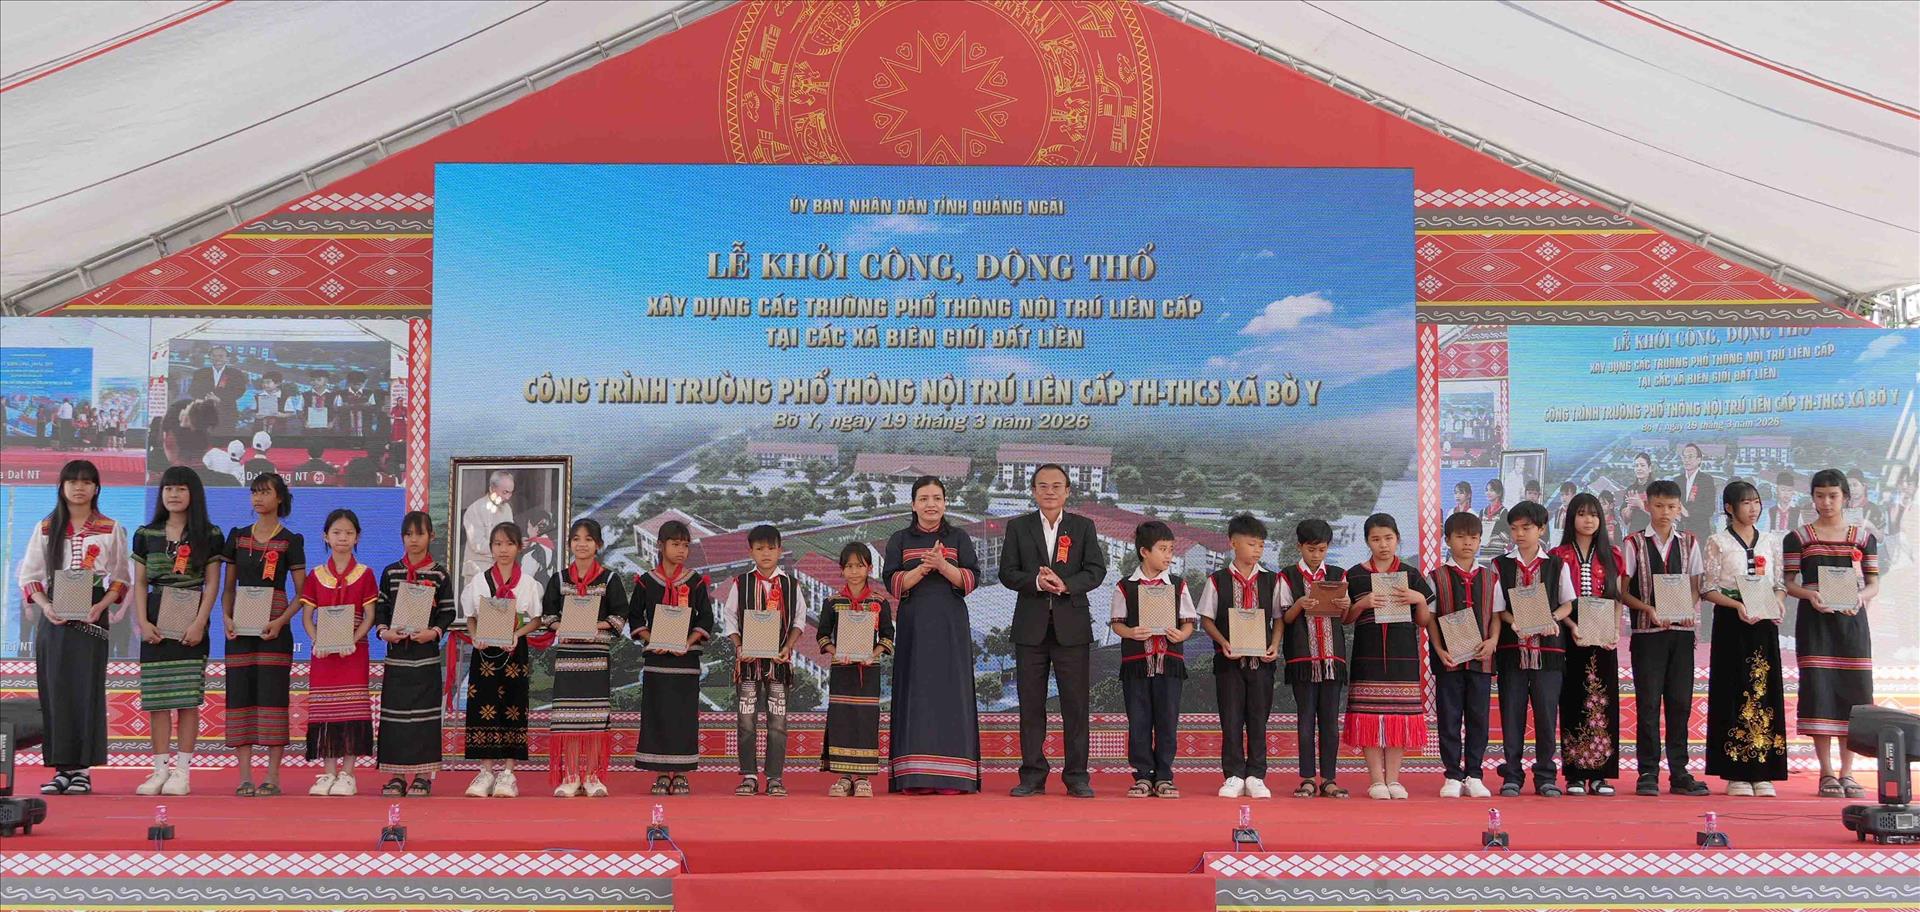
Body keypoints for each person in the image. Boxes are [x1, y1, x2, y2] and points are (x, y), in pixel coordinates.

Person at [17, 460, 129, 795]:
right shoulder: (46, 527)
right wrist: (46, 607)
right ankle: (61, 769)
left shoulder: (110, 528)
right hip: (54, 616)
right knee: (55, 691)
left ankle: (81, 771)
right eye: (73, 481)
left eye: (86, 482)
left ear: (96, 488)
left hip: (92, 616)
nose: (79, 488)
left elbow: (121, 578)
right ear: (62, 487)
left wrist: (101, 606)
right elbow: (30, 576)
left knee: (86, 690)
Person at [998, 463, 1106, 798]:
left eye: (1056, 486)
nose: (1049, 491)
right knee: (1031, 706)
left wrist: (1066, 584)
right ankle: (1032, 775)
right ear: (1033, 491)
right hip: (1030, 629)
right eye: (1042, 485)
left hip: (1072, 628)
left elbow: (1096, 570)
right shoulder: (1018, 527)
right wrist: (1035, 581)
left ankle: (1077, 776)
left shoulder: (1082, 527)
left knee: (1076, 705)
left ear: (1067, 491)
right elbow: (1007, 572)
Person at [1782, 469, 1881, 799]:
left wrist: (1860, 598)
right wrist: (1810, 594)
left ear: (1845, 498)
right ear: (1812, 498)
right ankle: (1826, 773)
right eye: (1820, 496)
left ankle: (1848, 773)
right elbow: (1789, 583)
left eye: (1833, 496)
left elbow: (1873, 584)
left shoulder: (1863, 537)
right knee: (1820, 692)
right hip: (1816, 624)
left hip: (1852, 625)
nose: (1826, 502)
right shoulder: (1798, 538)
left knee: (1854, 694)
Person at [883, 475, 982, 794]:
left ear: (945, 503)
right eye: (924, 498)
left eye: (937, 498)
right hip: (914, 624)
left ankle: (953, 777)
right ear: (913, 504)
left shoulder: (959, 537)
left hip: (951, 624)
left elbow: (971, 580)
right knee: (916, 692)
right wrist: (922, 569)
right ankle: (916, 776)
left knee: (952, 692)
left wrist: (943, 565)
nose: (931, 504)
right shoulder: (900, 539)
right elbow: (893, 584)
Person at [130, 466, 225, 796]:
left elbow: (212, 583)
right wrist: (143, 622)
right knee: (157, 700)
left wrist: (199, 622)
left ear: (193, 494)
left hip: (191, 620)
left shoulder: (210, 534)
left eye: (181, 489)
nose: (173, 494)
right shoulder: (146, 533)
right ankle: (159, 771)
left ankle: (182, 772)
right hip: (155, 619)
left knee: (186, 700)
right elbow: (139, 583)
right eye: (168, 488)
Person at [1619, 480, 1711, 796]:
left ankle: (1679, 772)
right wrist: (1648, 608)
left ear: (1679, 508)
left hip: (1682, 635)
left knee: (1680, 703)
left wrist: (1686, 607)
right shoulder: (1633, 543)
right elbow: (1622, 591)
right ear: (1647, 506)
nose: (1665, 512)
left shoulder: (1690, 542)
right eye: (1659, 506)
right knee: (1647, 703)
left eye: (1671, 506)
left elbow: (1698, 586)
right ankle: (1647, 772)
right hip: (1647, 634)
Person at [222, 472, 306, 797]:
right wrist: (226, 617)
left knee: (273, 698)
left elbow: (302, 593)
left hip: (274, 630)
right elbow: (229, 588)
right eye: (254, 492)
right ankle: (244, 776)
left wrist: (282, 621)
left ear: (279, 498)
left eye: (265, 492)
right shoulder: (237, 536)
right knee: (239, 697)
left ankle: (272, 775)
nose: (258, 498)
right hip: (240, 629)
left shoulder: (291, 540)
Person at [1702, 481, 1788, 797]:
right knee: (1732, 689)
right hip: (1732, 622)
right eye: (1746, 503)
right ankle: (1735, 773)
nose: (1753, 509)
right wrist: (1737, 605)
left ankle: (1764, 771)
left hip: (1763, 623)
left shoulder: (1770, 541)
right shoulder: (1718, 541)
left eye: (1756, 502)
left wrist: (1778, 602)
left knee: (1763, 691)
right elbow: (1708, 588)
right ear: (1729, 508)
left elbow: (1779, 583)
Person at [1342, 513, 1434, 800]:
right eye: (1376, 539)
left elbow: (1423, 621)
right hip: (1367, 656)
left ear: (1397, 539)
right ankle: (1375, 781)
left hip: (1403, 656)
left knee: (1399, 716)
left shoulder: (1411, 574)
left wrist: (1419, 599)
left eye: (1388, 538)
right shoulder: (1354, 575)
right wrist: (1362, 604)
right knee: (1369, 716)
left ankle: (1393, 780)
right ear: (1367, 541)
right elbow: (1345, 618)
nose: (1383, 545)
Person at [1197, 515, 1284, 799]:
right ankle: (1233, 775)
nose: (1257, 550)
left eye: (1261, 545)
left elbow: (1278, 617)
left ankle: (1256, 775)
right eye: (1251, 544)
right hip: (1229, 662)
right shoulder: (1217, 580)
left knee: (1258, 719)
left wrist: (1275, 644)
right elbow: (1206, 619)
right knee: (1231, 719)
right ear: (1233, 543)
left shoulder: (1272, 580)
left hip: (1262, 663)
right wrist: (1223, 642)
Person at [1492, 501, 1575, 797]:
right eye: (1514, 528)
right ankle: (1512, 775)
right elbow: (1498, 609)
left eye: (1526, 528)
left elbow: (1567, 604)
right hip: (1512, 650)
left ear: (1541, 529)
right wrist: (1515, 622)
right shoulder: (1500, 565)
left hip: (1549, 653)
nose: (1519, 534)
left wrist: (1551, 618)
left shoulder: (1556, 564)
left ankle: (1546, 776)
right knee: (1511, 715)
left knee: (1546, 716)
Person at [540, 519, 627, 798]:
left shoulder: (610, 579)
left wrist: (591, 625)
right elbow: (548, 616)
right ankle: (570, 776)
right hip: (568, 659)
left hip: (596, 658)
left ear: (598, 544)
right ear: (569, 544)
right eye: (576, 539)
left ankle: (591, 776)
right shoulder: (559, 579)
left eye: (588, 539)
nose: (582, 544)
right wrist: (564, 626)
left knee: (594, 719)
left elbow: (619, 618)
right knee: (569, 720)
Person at [1110, 520, 1197, 798]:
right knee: (1139, 720)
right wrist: (1131, 632)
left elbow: (1188, 623)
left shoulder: (1178, 585)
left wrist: (1181, 635)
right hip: (1136, 664)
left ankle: (1164, 776)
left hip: (1169, 663)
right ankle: (1143, 775)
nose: (1169, 555)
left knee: (1167, 720)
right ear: (1144, 551)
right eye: (1163, 549)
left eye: (1171, 549)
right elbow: (1117, 624)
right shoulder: (1126, 586)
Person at [373, 511, 455, 797]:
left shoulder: (440, 574)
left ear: (431, 536)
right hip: (397, 657)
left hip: (426, 657)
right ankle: (396, 776)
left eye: (419, 534)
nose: (414, 540)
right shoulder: (390, 572)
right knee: (394, 717)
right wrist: (384, 632)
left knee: (424, 718)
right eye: (408, 534)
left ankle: (422, 776)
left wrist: (433, 632)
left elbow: (448, 611)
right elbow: (381, 608)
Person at [298, 509, 379, 796]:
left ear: (357, 537)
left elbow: (370, 615)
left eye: (348, 533)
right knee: (326, 710)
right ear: (325, 537)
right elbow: (307, 616)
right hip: (323, 654)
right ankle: (328, 772)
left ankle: (348, 774)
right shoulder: (316, 575)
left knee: (351, 710)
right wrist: (317, 640)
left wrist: (353, 640)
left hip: (353, 652)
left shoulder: (365, 574)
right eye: (336, 532)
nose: (342, 537)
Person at [462, 521, 544, 798]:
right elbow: (471, 617)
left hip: (514, 651)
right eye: (497, 544)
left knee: (513, 707)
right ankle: (486, 772)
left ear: (519, 547)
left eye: (509, 543)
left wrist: (517, 634)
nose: (503, 549)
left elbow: (536, 619)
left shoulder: (528, 583)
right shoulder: (479, 581)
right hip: (484, 652)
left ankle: (508, 773)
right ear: (491, 548)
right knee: (482, 706)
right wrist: (475, 636)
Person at [722, 524, 804, 797]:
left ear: (780, 550)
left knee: (777, 724)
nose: (766, 553)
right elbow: (729, 617)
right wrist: (739, 647)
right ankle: (748, 776)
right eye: (760, 549)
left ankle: (774, 778)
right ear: (751, 552)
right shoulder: (740, 583)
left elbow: (799, 621)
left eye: (771, 548)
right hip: (748, 666)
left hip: (778, 666)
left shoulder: (791, 585)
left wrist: (788, 647)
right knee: (746, 722)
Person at [632, 520, 714, 794]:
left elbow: (706, 618)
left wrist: (687, 642)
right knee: (657, 714)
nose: (681, 550)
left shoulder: (695, 581)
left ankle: (680, 773)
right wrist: (652, 640)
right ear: (660, 545)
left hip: (685, 661)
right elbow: (635, 617)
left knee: (683, 716)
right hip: (656, 661)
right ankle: (660, 773)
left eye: (685, 545)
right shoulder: (646, 582)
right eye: (675, 544)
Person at [1552, 493, 1625, 797]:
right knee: (1572, 698)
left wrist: (1615, 629)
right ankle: (1574, 774)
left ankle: (1600, 775)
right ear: (1571, 518)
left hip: (1603, 631)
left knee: (1602, 699)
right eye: (1582, 514)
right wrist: (1572, 626)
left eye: (1594, 514)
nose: (1588, 520)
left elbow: (1617, 597)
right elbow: (1557, 600)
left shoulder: (1613, 554)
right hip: (1571, 633)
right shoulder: (1558, 555)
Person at [1276, 519, 1353, 799]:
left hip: (1332, 658)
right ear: (1299, 546)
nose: (1316, 555)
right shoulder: (1287, 576)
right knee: (1306, 719)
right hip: (1303, 659)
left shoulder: (1338, 574)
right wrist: (1299, 604)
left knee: (1330, 721)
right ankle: (1307, 778)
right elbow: (1284, 618)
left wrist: (1346, 606)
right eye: (1311, 549)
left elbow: (1345, 618)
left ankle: (1329, 779)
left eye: (1321, 549)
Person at [1427, 511, 1500, 799]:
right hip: (1449, 661)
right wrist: (1439, 649)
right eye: (1460, 537)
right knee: (1450, 717)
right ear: (1447, 540)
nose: (1467, 543)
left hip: (1481, 659)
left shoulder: (1491, 578)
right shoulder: (1436, 577)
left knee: (1478, 718)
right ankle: (1452, 775)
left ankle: (1475, 774)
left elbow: (1496, 614)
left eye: (1473, 537)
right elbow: (1430, 618)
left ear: (1480, 540)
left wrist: (1493, 641)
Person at [818, 543, 894, 797]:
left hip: (868, 671)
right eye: (849, 566)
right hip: (841, 671)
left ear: (869, 568)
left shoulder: (879, 602)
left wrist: (873, 654)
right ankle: (843, 777)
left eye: (859, 565)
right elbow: (822, 636)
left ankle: (863, 778)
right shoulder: (832, 602)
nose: (854, 571)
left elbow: (887, 636)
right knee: (842, 719)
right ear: (841, 570)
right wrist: (835, 651)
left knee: (865, 720)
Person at [460, 471, 515, 584]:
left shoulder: (507, 509)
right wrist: (505, 548)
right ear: (492, 489)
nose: (508, 497)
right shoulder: (475, 509)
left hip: (502, 570)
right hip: (478, 571)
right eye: (505, 492)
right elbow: (477, 544)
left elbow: (509, 536)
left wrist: (516, 542)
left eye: (510, 493)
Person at [187, 346, 248, 429]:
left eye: (221, 356)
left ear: (227, 358)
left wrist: (220, 399)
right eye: (214, 356)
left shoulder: (235, 373)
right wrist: (207, 398)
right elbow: (193, 390)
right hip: (204, 412)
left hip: (227, 413)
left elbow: (239, 391)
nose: (217, 358)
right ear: (210, 357)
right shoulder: (200, 373)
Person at [1677, 443, 1718, 541]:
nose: (1686, 460)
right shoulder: (1677, 480)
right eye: (1684, 457)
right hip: (1680, 532)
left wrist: (1687, 513)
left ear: (1699, 460)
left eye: (1690, 457)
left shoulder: (1706, 480)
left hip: (1700, 534)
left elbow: (1709, 509)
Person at [1622, 452, 1656, 534]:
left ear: (1650, 468)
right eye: (1636, 466)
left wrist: (1640, 504)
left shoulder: (1657, 488)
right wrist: (1629, 508)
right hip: (1634, 533)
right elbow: (1625, 520)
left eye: (1642, 465)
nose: (1639, 468)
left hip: (1652, 534)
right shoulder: (1631, 489)